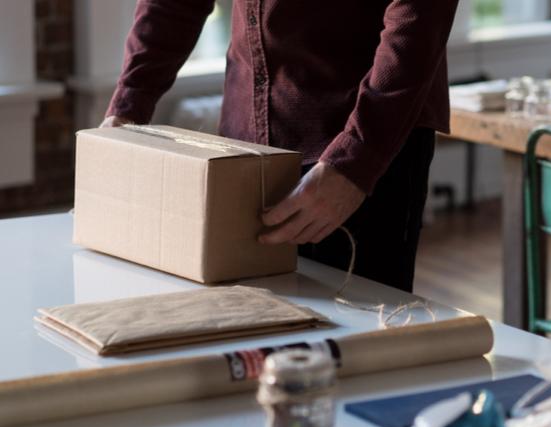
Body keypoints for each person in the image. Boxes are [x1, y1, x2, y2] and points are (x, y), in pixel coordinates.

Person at [103, 0, 459, 293]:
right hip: (244, 147)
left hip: (359, 146)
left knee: (358, 347)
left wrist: (354, 162)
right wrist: (126, 109)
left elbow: (420, 15)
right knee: (249, 331)